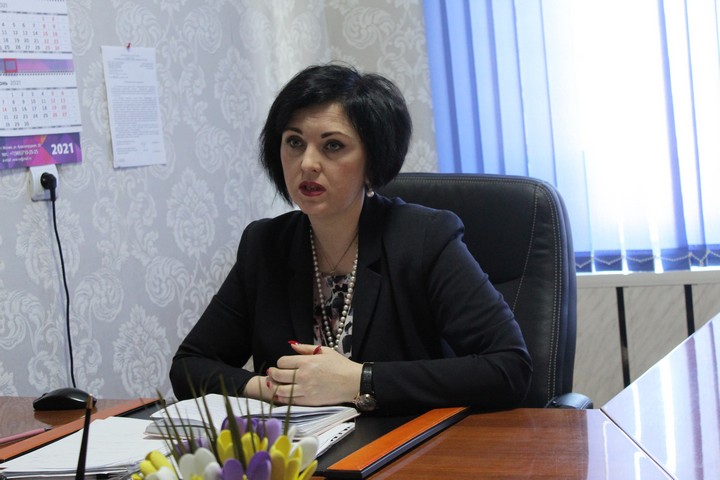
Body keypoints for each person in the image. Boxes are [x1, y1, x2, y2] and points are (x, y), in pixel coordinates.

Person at [170, 63, 532, 414]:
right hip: (304, 447)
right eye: (294, 142)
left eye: (332, 146)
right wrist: (277, 388)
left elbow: (509, 367)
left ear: (372, 162)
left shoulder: (424, 239)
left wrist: (360, 380)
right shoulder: (265, 245)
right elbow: (190, 365)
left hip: (406, 443)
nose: (307, 163)